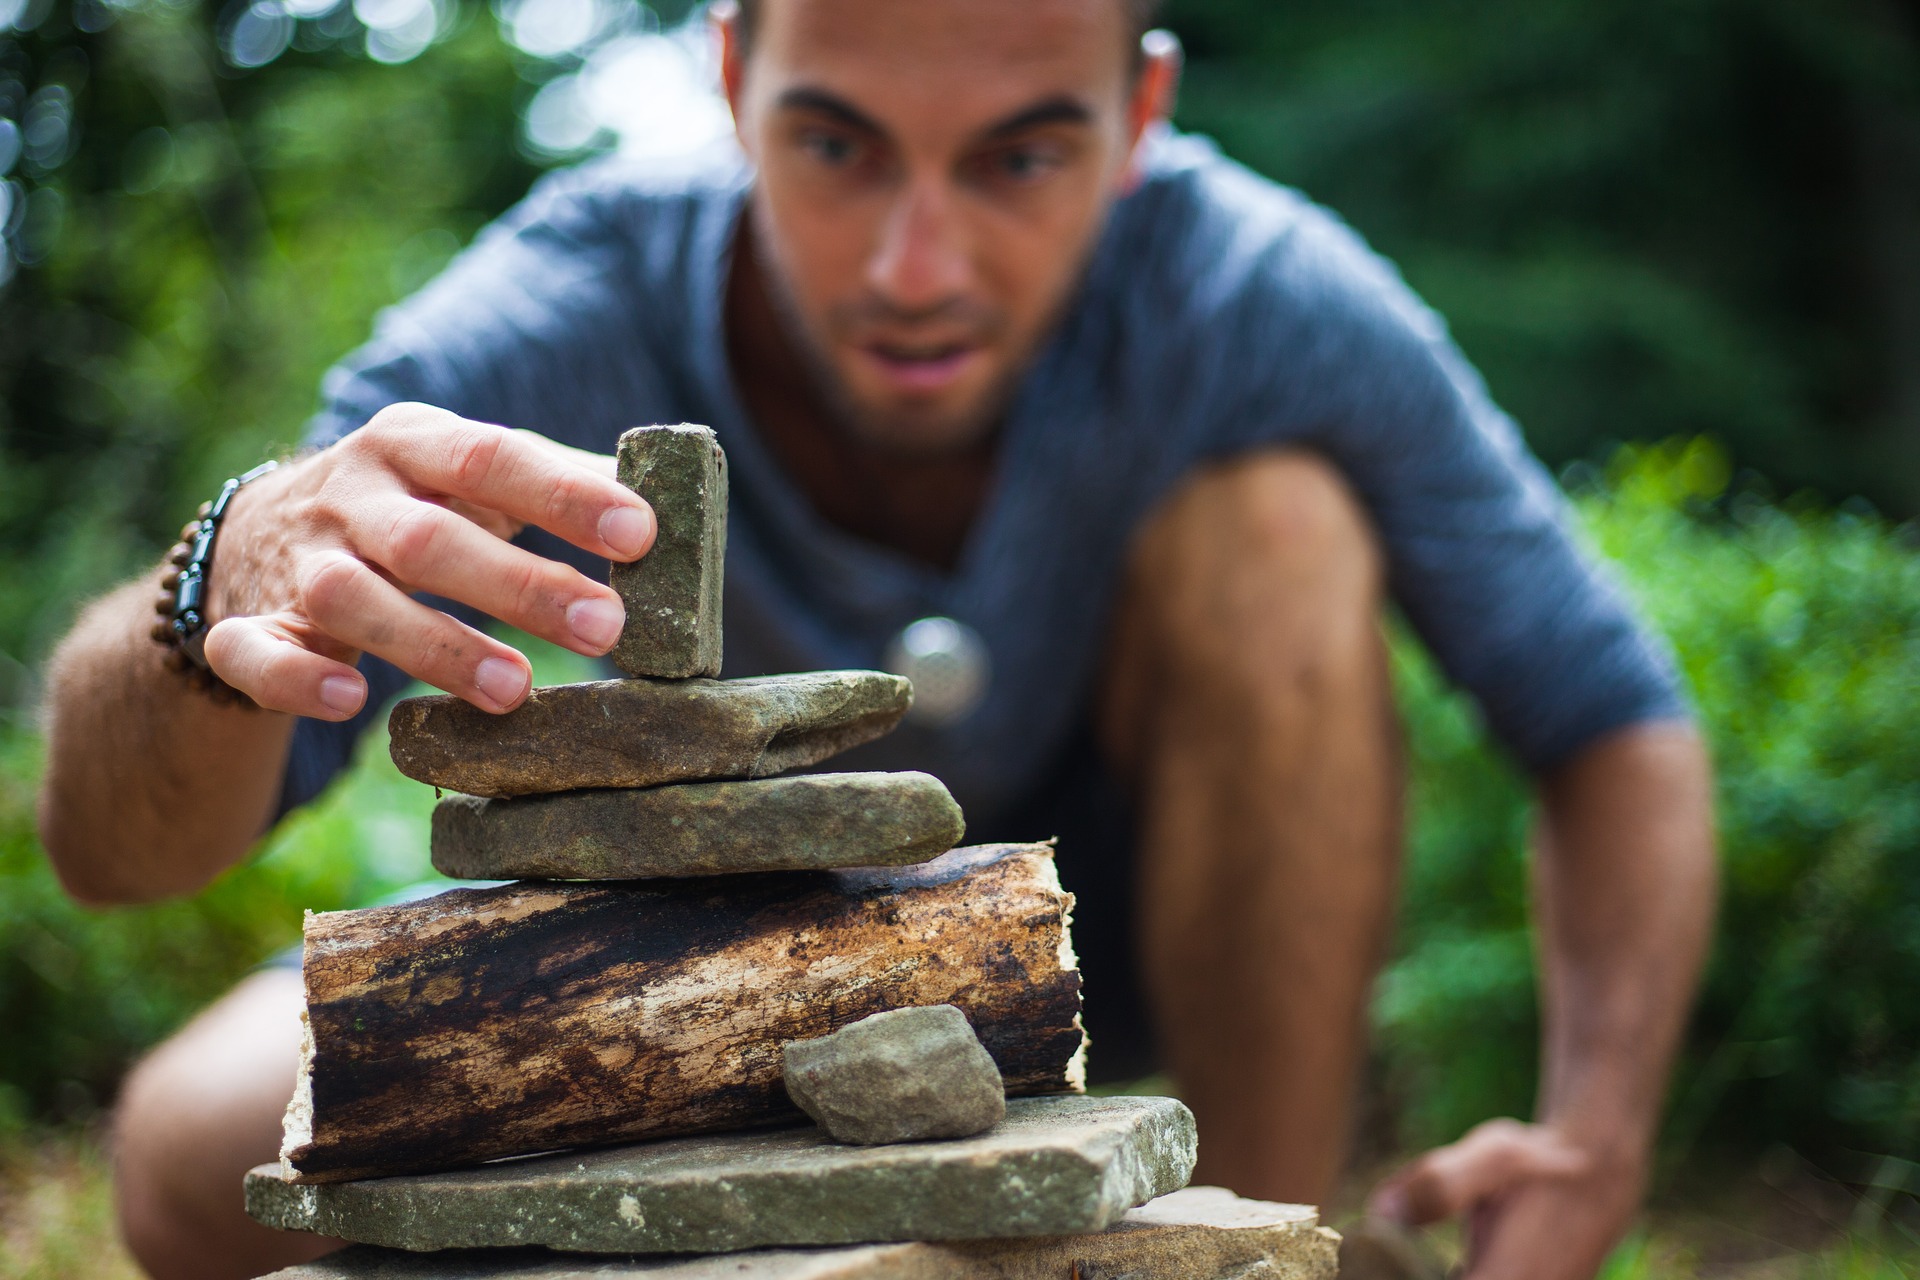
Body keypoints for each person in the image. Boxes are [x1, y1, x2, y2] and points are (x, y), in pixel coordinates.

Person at [34, 0, 1718, 1277]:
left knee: (1279, 537)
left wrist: (1600, 1135)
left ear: (1139, 115)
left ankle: (1232, 1249)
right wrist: (215, 584)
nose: (920, 266)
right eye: (836, 145)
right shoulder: (568, 305)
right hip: (681, 970)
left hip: (1123, 956)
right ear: (730, 84)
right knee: (193, 1151)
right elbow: (116, 853)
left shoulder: (1256, 295)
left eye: (1018, 158)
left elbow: (1605, 712)